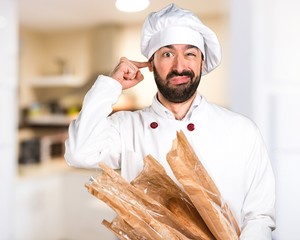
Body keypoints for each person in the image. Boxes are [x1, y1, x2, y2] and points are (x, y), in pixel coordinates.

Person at [65, 3, 275, 239]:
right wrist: (110, 86)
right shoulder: (127, 127)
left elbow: (259, 216)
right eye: (167, 54)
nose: (179, 66)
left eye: (190, 54)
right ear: (151, 64)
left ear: (202, 63)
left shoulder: (241, 130)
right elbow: (79, 153)